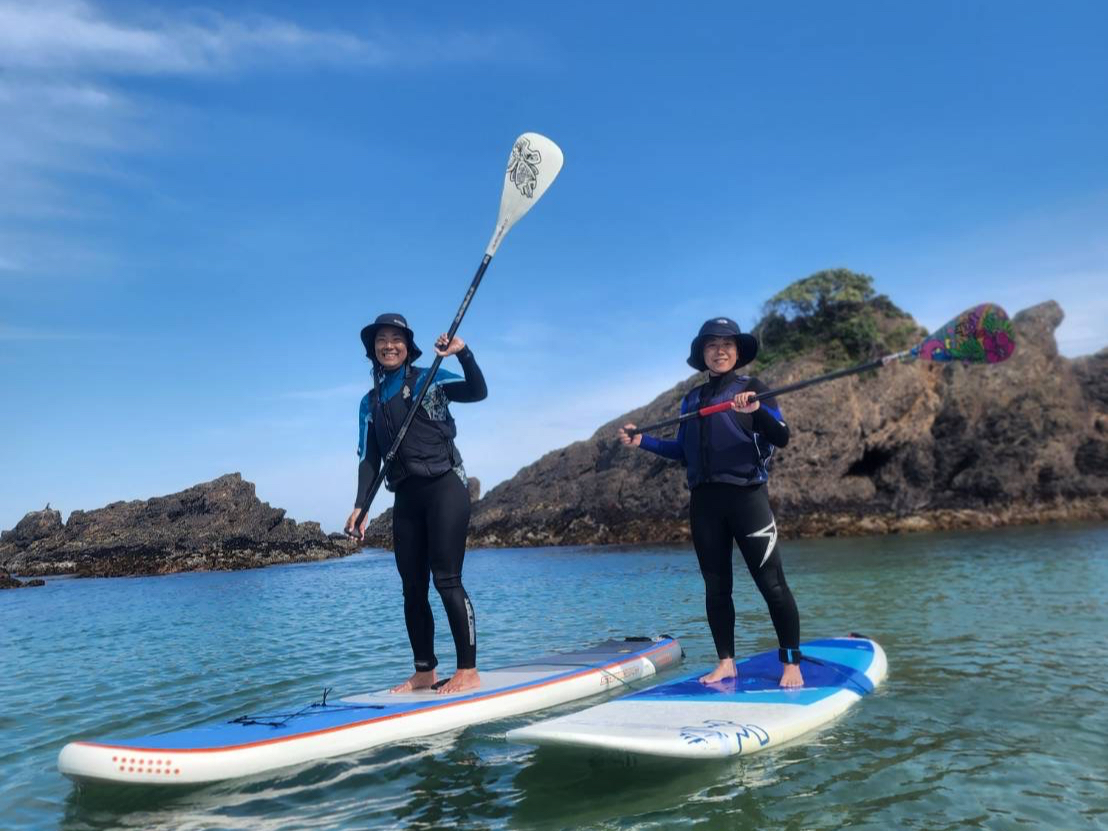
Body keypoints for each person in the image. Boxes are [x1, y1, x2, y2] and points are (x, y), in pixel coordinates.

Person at [618, 317, 804, 688]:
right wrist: (644, 443)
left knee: (772, 585)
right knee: (716, 588)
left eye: (727, 345)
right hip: (704, 505)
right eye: (712, 345)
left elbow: (781, 436)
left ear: (737, 352)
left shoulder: (754, 388)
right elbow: (683, 451)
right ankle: (726, 663)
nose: (720, 351)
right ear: (702, 354)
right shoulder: (692, 399)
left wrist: (757, 412)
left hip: (747, 498)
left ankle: (791, 663)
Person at [345, 313, 487, 695]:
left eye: (396, 338)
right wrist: (361, 506)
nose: (388, 345)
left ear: (408, 346)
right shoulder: (369, 402)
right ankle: (424, 670)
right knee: (412, 589)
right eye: (381, 339)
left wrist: (463, 354)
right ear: (372, 349)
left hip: (444, 486)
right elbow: (369, 458)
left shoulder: (430, 376)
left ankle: (468, 670)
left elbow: (477, 392)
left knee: (447, 579)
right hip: (406, 497)